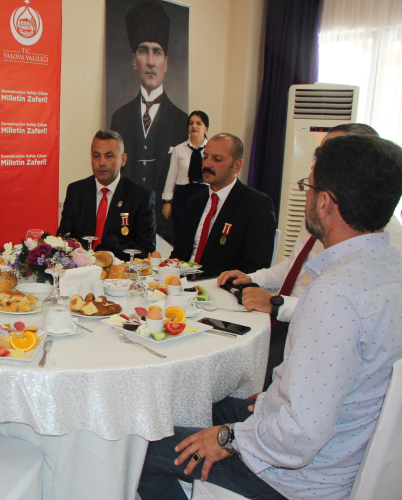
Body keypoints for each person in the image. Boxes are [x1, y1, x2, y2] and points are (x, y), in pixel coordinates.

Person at [137, 134, 402, 500]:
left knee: (142, 452)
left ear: (324, 202)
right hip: (342, 447)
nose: (306, 195)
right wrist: (275, 397)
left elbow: (299, 437)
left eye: (309, 186)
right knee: (196, 405)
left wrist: (227, 438)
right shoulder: (391, 267)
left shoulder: (334, 294)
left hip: (295, 478)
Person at [216, 123, 402, 390]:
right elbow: (295, 265)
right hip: (285, 318)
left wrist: (277, 304)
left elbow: (336, 314)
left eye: (328, 156)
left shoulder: (376, 237)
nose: (315, 167)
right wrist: (254, 278)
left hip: (302, 328)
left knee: (228, 377)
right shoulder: (320, 215)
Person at [110, 0, 189, 246]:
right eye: (144, 51)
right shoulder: (119, 116)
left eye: (157, 52)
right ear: (134, 60)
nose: (151, 61)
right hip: (126, 223)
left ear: (166, 62)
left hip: (166, 227)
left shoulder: (182, 121)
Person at [169, 133, 275, 275]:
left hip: (221, 285)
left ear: (237, 166)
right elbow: (180, 252)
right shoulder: (195, 202)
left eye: (217, 159)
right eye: (205, 157)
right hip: (183, 283)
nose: (207, 164)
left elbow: (256, 269)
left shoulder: (256, 204)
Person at [57, 129, 156, 260]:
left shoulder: (141, 196)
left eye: (109, 156)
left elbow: (146, 249)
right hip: (80, 269)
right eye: (96, 156)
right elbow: (64, 238)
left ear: (123, 159)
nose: (101, 163)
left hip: (120, 270)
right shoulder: (76, 191)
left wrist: (109, 254)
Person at [161, 111, 210, 243]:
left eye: (198, 123)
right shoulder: (179, 149)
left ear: (206, 127)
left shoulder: (211, 149)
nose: (194, 126)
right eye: (191, 123)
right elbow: (172, 175)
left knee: (200, 234)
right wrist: (167, 201)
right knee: (181, 234)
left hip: (204, 194)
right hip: (182, 196)